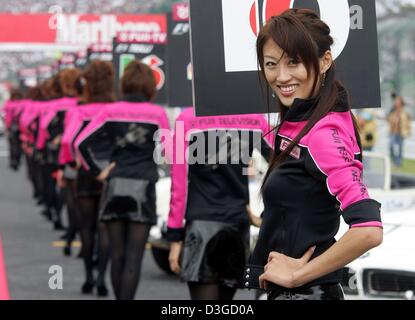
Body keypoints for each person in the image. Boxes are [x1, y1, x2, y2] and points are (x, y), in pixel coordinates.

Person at [245, 9, 383, 300]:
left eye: (293, 62)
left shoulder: (322, 133)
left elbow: (369, 229)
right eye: (271, 64)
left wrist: (297, 275)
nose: (281, 76)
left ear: (324, 61)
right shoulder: (301, 121)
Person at [75, 60, 171, 300]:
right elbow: (169, 153)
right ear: (151, 85)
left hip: (115, 186)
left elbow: (80, 143)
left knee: (117, 254)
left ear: (125, 83)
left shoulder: (110, 111)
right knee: (133, 258)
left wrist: (98, 170)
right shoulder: (158, 114)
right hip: (143, 189)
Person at [166, 106, 274, 300]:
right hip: (236, 224)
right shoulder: (253, 118)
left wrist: (175, 236)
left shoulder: (187, 118)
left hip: (201, 224)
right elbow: (284, 162)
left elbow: (179, 182)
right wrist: (267, 215)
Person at [59, 60, 112, 296]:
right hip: (110, 173)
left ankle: (89, 277)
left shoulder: (78, 110)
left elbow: (68, 140)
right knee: (106, 228)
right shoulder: (116, 108)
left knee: (87, 227)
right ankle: (102, 277)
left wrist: (71, 162)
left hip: (86, 171)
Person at [387, 94, 411, 167]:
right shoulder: (392, 111)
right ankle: (393, 161)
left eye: (398, 101)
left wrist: (408, 131)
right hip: (393, 132)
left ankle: (399, 162)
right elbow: (388, 119)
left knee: (400, 148)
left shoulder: (405, 111)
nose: (396, 102)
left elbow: (407, 121)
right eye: (396, 101)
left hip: (401, 132)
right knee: (391, 146)